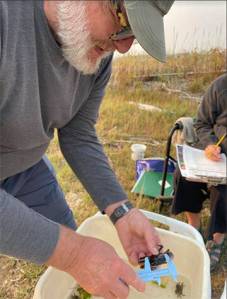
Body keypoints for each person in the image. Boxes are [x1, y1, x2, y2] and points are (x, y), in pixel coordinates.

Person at [0, 1, 175, 298]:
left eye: (134, 32)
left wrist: (121, 211)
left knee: (68, 240)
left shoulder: (96, 58)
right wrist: (72, 254)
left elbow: (78, 134)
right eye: (122, 19)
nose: (124, 46)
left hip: (26, 166)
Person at [172, 74, 227, 272]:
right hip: (213, 152)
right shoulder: (220, 86)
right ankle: (193, 225)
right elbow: (201, 123)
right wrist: (210, 144)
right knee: (184, 175)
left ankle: (217, 238)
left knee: (223, 190)